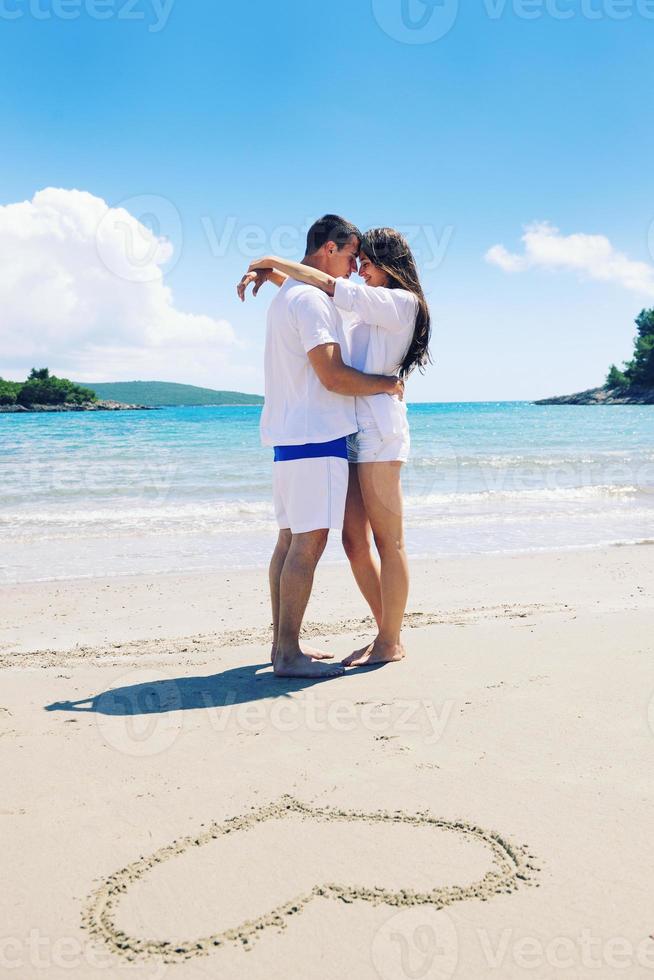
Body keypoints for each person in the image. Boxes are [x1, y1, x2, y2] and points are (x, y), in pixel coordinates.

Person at [240, 226, 431, 668]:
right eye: (356, 256)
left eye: (367, 258)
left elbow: (327, 284)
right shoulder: (364, 307)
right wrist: (276, 279)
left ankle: (390, 640)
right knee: (352, 541)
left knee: (389, 541)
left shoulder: (401, 303)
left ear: (390, 261)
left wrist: (270, 260)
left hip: (380, 432)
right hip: (350, 432)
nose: (359, 265)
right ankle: (386, 630)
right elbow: (320, 296)